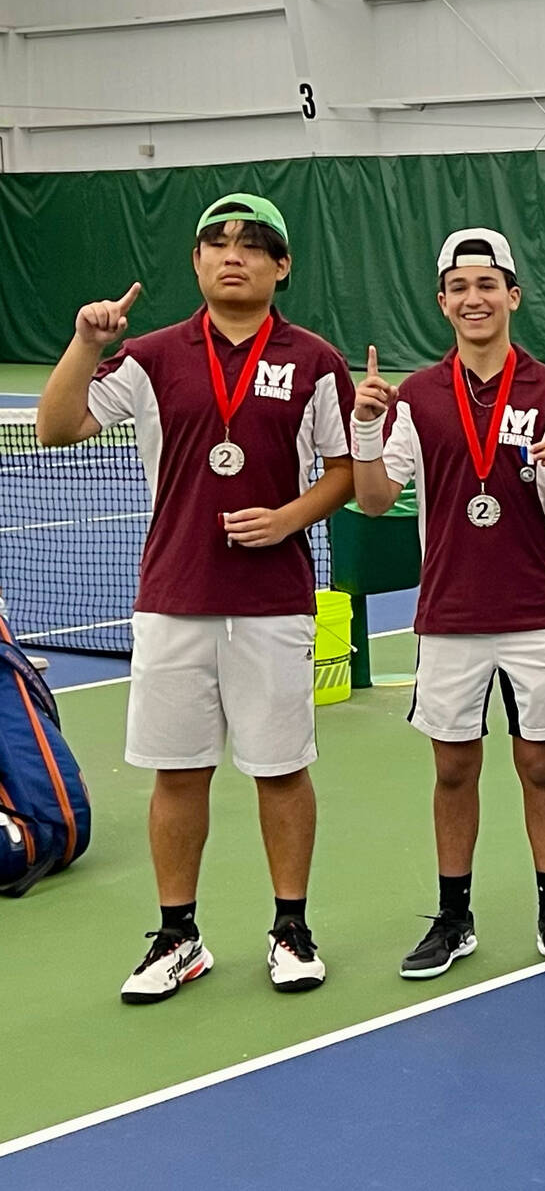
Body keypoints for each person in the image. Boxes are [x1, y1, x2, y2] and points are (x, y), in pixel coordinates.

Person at [38, 193, 354, 1002]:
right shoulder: (149, 356)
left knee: (281, 770)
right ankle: (178, 936)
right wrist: (84, 343)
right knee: (178, 774)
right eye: (215, 242)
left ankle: (290, 927)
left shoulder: (316, 360)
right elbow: (56, 426)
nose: (232, 254)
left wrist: (287, 517)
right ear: (195, 262)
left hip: (275, 604)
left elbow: (346, 469)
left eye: (253, 244)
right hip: (172, 599)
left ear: (282, 266)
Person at [351, 227, 545, 979]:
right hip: (450, 617)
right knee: (453, 771)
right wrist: (364, 426)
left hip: (532, 614)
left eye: (487, 285)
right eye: (459, 287)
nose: (473, 298)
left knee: (540, 767)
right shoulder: (418, 397)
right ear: (443, 303)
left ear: (513, 296)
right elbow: (372, 499)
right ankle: (454, 917)